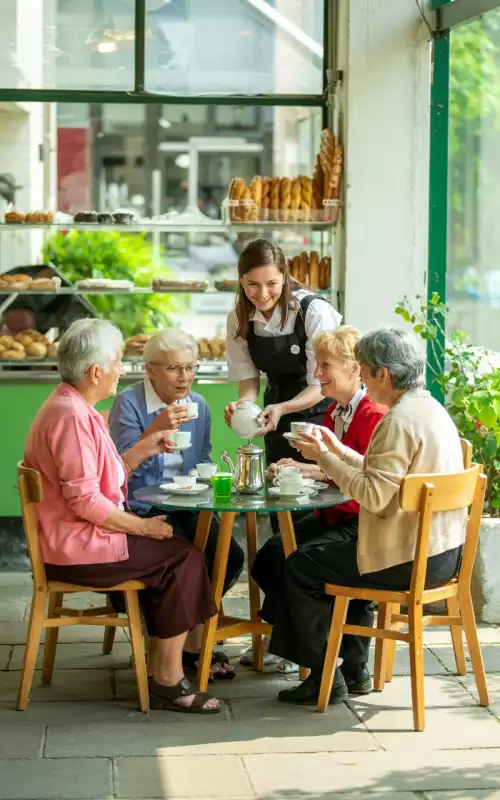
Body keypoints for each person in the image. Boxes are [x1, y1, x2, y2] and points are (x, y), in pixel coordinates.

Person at [24, 318, 220, 714]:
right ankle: (167, 677)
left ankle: (170, 659)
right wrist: (143, 526)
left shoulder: (74, 406)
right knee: (185, 558)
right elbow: (85, 501)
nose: (122, 370)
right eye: (116, 362)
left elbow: (108, 476)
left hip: (78, 537)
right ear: (95, 371)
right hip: (78, 547)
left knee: (188, 551)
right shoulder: (71, 418)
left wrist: (147, 446)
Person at [269, 325, 467, 706]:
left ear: (383, 375)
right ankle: (348, 666)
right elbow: (387, 479)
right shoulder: (429, 409)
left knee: (299, 564)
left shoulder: (396, 421)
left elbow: (373, 496)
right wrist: (339, 451)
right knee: (314, 556)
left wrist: (323, 458)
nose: (360, 375)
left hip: (405, 558)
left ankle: (326, 675)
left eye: (363, 368)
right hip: (444, 555)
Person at [241, 326, 386, 678]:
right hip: (338, 513)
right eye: (316, 365)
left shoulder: (374, 414)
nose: (317, 374)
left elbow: (366, 478)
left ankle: (327, 666)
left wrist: (314, 469)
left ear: (355, 369)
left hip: (361, 521)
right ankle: (309, 644)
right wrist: (307, 467)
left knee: (297, 564)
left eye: (325, 366)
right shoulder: (335, 412)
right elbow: (343, 466)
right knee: (270, 557)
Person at [109, 328, 244, 679]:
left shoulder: (198, 405)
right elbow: (119, 468)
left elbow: (202, 456)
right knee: (189, 556)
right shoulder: (129, 403)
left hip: (188, 503)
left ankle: (189, 636)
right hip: (141, 508)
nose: (184, 377)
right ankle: (189, 645)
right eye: (173, 369)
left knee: (229, 555)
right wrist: (155, 428)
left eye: (190, 367)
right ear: (150, 370)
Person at [224, 239, 342, 468]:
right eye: (252, 284)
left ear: (284, 277)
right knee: (278, 480)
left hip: (320, 411)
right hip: (275, 410)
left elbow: (321, 383)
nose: (263, 294)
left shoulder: (312, 310)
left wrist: (283, 408)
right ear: (240, 279)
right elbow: (248, 377)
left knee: (318, 488)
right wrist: (243, 406)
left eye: (271, 283)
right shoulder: (238, 318)